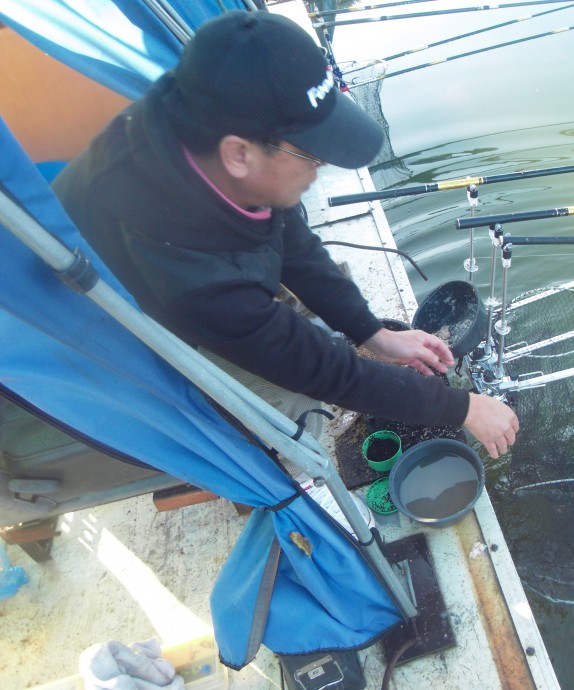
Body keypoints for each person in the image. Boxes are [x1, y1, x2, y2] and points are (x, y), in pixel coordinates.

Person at [52, 10, 518, 459]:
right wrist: (463, 408)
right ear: (239, 155)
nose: (322, 168)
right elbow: (326, 373)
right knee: (293, 410)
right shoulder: (201, 281)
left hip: (181, 276)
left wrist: (372, 332)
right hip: (100, 341)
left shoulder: (195, 117)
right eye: (313, 156)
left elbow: (290, 236)